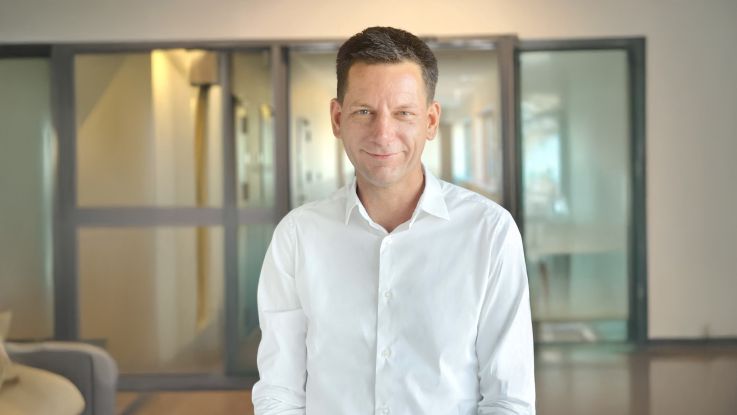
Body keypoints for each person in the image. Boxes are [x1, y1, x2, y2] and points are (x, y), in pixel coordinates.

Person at [252, 26, 535, 414]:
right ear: (337, 118)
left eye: (403, 113)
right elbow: (279, 391)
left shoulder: (490, 232)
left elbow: (508, 399)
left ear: (431, 121)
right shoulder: (297, 236)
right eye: (364, 112)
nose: (383, 134)